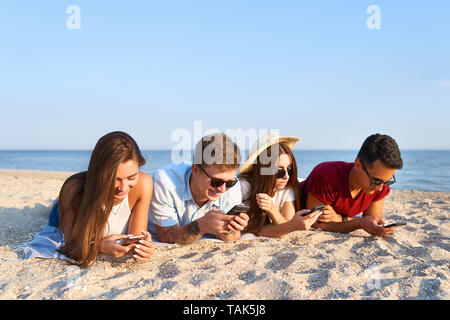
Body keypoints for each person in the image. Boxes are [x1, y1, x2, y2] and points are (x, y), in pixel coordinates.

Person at [45, 131, 155, 267]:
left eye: (131, 178)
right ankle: (56, 203)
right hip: (76, 202)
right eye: (115, 179)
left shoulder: (143, 184)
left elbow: (133, 241)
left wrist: (143, 246)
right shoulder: (74, 190)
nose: (123, 188)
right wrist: (98, 248)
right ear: (100, 173)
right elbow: (68, 249)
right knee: (54, 211)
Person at [149, 133, 249, 244]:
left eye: (230, 182)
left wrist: (230, 229)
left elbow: (232, 238)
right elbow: (165, 236)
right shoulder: (165, 181)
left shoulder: (233, 186)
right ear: (195, 170)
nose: (223, 189)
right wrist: (202, 226)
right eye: (216, 182)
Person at [300, 133, 403, 237]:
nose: (380, 188)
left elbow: (371, 221)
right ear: (357, 164)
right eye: (375, 181)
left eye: (387, 181)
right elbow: (315, 224)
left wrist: (341, 219)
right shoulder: (327, 175)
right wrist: (359, 223)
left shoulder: (379, 185)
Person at [239, 132, 322, 238]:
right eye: (280, 171)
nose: (286, 176)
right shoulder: (245, 188)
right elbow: (249, 230)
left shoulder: (287, 187)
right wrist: (291, 225)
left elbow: (287, 226)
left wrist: (273, 211)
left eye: (289, 169)